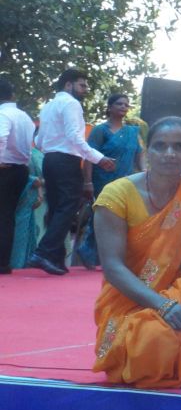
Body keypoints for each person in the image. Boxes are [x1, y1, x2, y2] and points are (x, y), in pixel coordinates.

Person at [92, 117, 181, 389]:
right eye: (160, 146)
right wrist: (163, 305)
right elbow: (112, 268)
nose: (169, 154)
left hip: (179, 292)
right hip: (129, 299)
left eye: (179, 146)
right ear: (147, 152)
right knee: (151, 345)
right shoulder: (116, 195)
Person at [31, 69, 115, 275]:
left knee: (57, 207)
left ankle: (56, 258)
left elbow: (39, 141)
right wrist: (99, 158)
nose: (85, 89)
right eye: (82, 85)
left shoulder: (48, 106)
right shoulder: (71, 104)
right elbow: (75, 138)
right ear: (68, 84)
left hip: (50, 159)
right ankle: (44, 252)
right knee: (68, 206)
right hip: (66, 160)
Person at [75, 94, 142, 269]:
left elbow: (139, 155)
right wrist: (87, 182)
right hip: (103, 181)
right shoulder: (100, 130)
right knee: (103, 217)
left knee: (124, 219)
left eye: (126, 104)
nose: (124, 107)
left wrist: (144, 174)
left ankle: (116, 258)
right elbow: (89, 156)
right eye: (119, 104)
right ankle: (88, 252)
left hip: (126, 181)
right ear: (110, 107)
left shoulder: (132, 132)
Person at [0, 78, 35, 275]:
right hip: (20, 168)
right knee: (7, 215)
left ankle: (2, 261)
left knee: (4, 215)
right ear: (12, 95)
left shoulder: (3, 114)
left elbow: (0, 137)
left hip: (5, 168)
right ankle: (3, 261)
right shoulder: (24, 116)